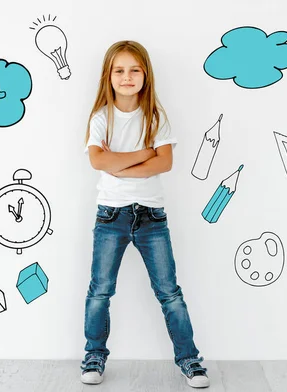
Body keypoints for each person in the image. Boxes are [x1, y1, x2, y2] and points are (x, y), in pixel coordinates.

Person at [80, 40, 209, 389]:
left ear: (145, 75)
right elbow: (98, 161)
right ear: (109, 76)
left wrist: (119, 164)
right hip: (111, 216)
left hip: (152, 217)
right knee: (100, 291)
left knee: (169, 293)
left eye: (134, 70)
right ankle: (94, 356)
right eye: (119, 70)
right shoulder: (101, 118)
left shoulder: (155, 116)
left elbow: (164, 162)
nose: (127, 77)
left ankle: (190, 360)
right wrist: (143, 155)